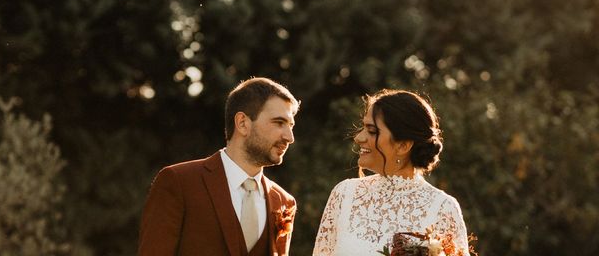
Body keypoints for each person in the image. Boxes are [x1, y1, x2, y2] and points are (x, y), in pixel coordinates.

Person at [138, 77, 300, 256]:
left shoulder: (284, 201)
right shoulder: (179, 182)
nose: (289, 137)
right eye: (279, 123)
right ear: (242, 123)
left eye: (291, 125)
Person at [313, 89, 470, 256]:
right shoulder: (344, 194)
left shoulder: (442, 208)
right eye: (363, 128)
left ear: (403, 145)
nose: (358, 138)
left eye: (372, 131)